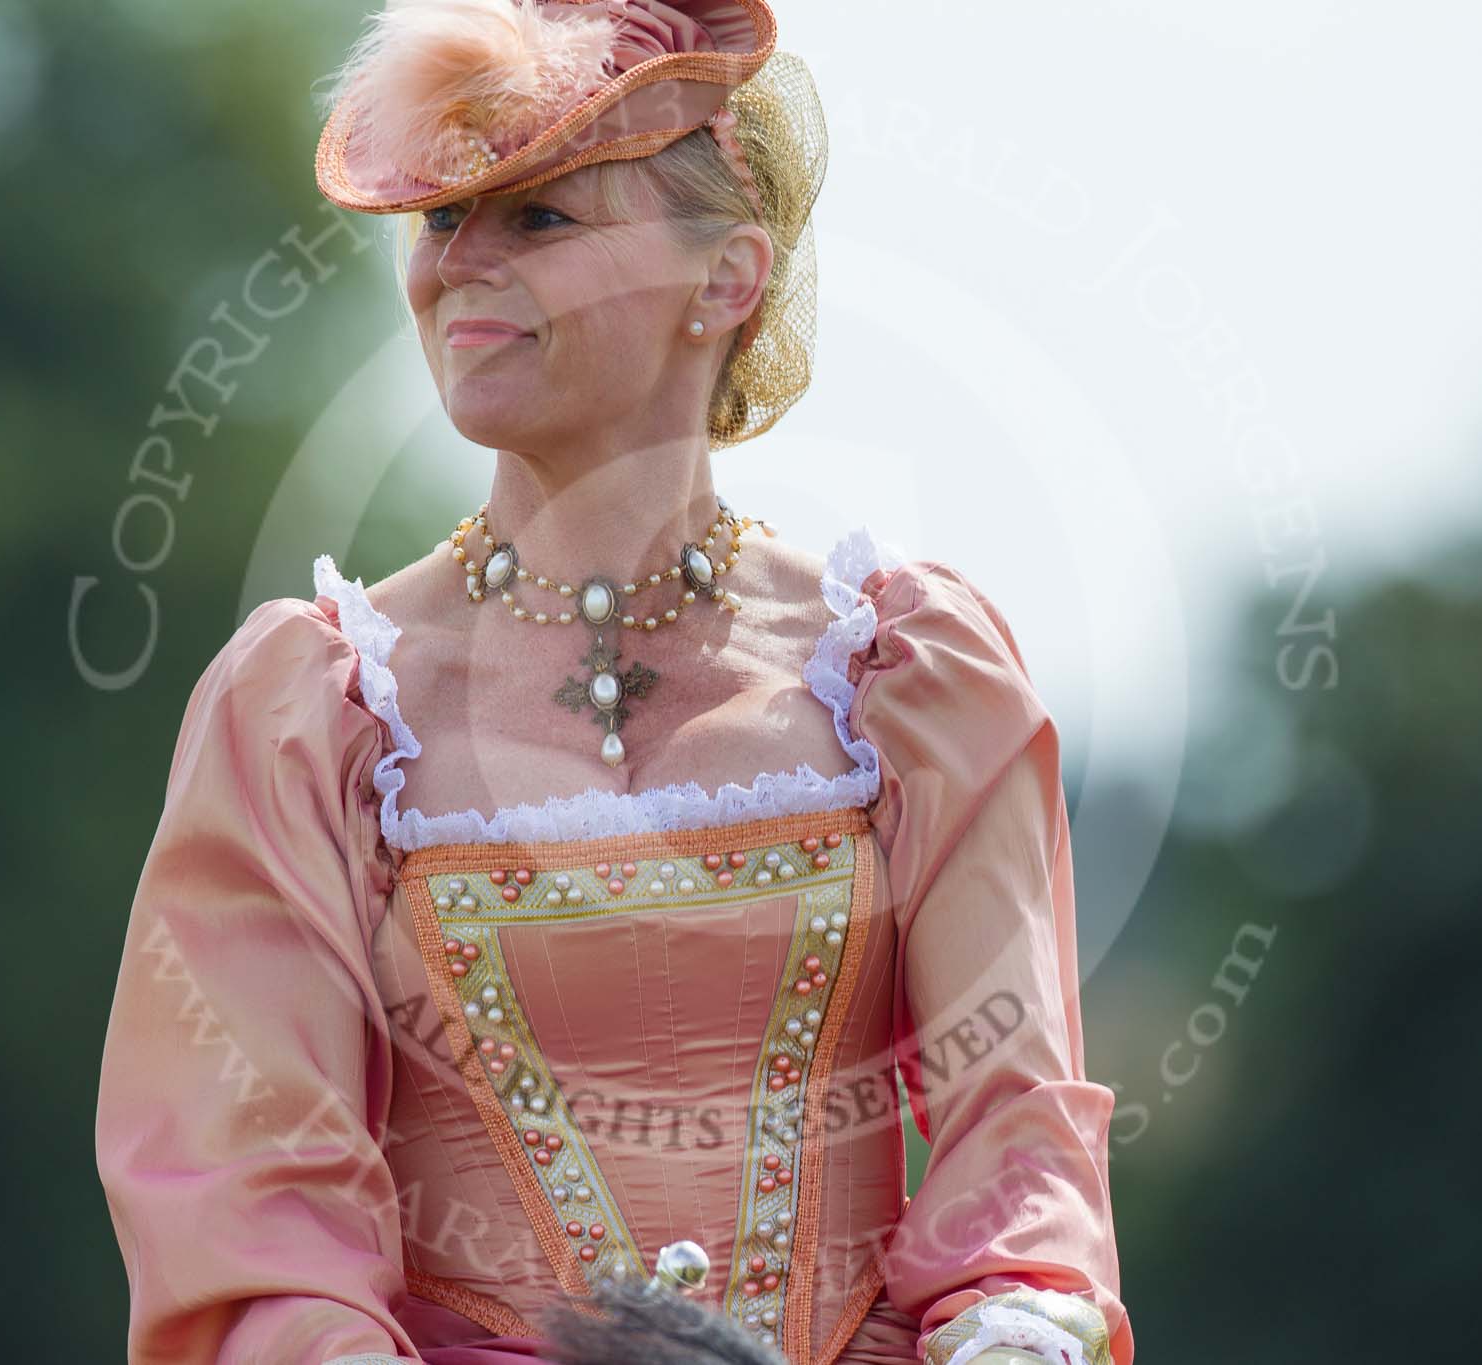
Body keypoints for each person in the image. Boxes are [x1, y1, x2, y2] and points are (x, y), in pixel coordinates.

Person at [93, 3, 1134, 1363]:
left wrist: (1010, 1334)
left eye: (538, 219)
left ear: (729, 279)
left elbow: (1019, 1149)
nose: (456, 263)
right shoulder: (313, 709)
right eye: (440, 222)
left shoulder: (911, 676)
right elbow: (254, 1220)